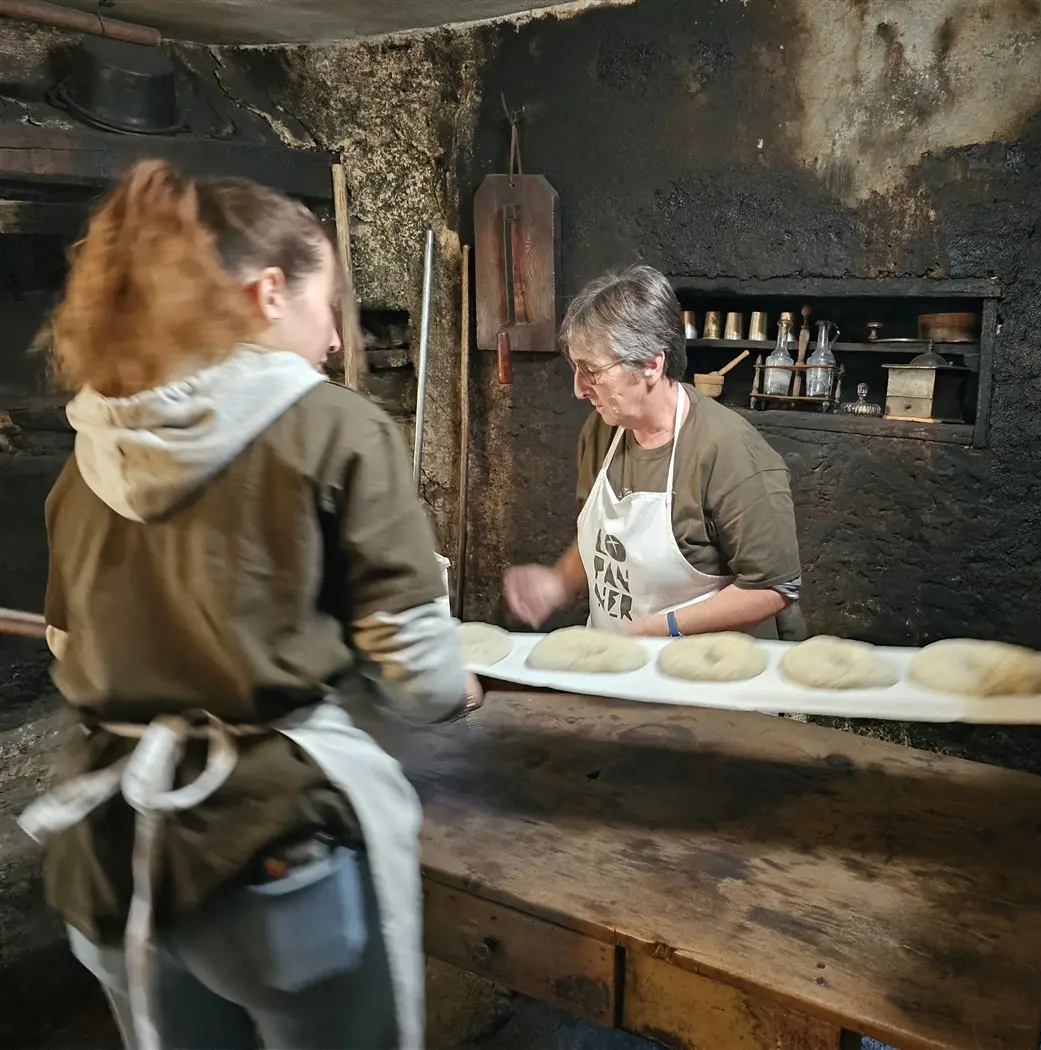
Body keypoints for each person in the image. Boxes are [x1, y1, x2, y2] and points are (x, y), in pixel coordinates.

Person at [19, 160, 477, 1050]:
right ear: (270, 293)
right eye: (327, 306)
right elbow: (419, 677)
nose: (336, 341)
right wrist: (460, 689)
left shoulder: (89, 451)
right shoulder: (335, 428)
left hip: (114, 857)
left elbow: (68, 650)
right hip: (271, 862)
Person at [504, 264, 804, 639]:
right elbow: (605, 545)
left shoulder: (730, 454)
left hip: (707, 677)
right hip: (620, 667)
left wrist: (664, 628)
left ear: (650, 364)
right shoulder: (602, 432)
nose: (579, 389)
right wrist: (558, 583)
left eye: (591, 371)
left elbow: (775, 588)